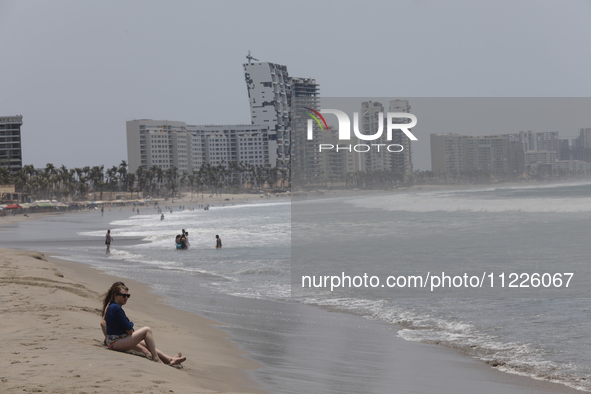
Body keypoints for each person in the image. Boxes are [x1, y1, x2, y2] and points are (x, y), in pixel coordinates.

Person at [100, 282, 186, 365]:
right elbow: (129, 329)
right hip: (116, 342)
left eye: (127, 296)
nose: (126, 298)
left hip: (114, 340)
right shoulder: (116, 308)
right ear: (115, 295)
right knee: (147, 330)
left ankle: (169, 359)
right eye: (123, 296)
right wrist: (130, 325)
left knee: (146, 343)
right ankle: (156, 358)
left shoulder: (112, 305)